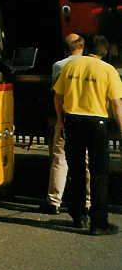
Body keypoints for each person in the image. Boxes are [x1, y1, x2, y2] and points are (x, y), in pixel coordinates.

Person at [53, 34, 122, 235]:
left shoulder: (70, 67)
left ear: (85, 48)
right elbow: (116, 104)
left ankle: (78, 216)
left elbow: (58, 96)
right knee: (99, 174)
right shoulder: (108, 70)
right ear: (105, 51)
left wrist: (60, 120)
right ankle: (98, 223)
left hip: (72, 121)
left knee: (76, 171)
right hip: (97, 123)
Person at [41, 33, 86, 214]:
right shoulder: (96, 66)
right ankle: (88, 202)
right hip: (89, 116)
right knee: (87, 160)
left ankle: (54, 201)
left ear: (66, 48)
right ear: (83, 47)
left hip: (68, 116)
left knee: (60, 159)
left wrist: (59, 118)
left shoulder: (59, 66)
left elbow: (56, 94)